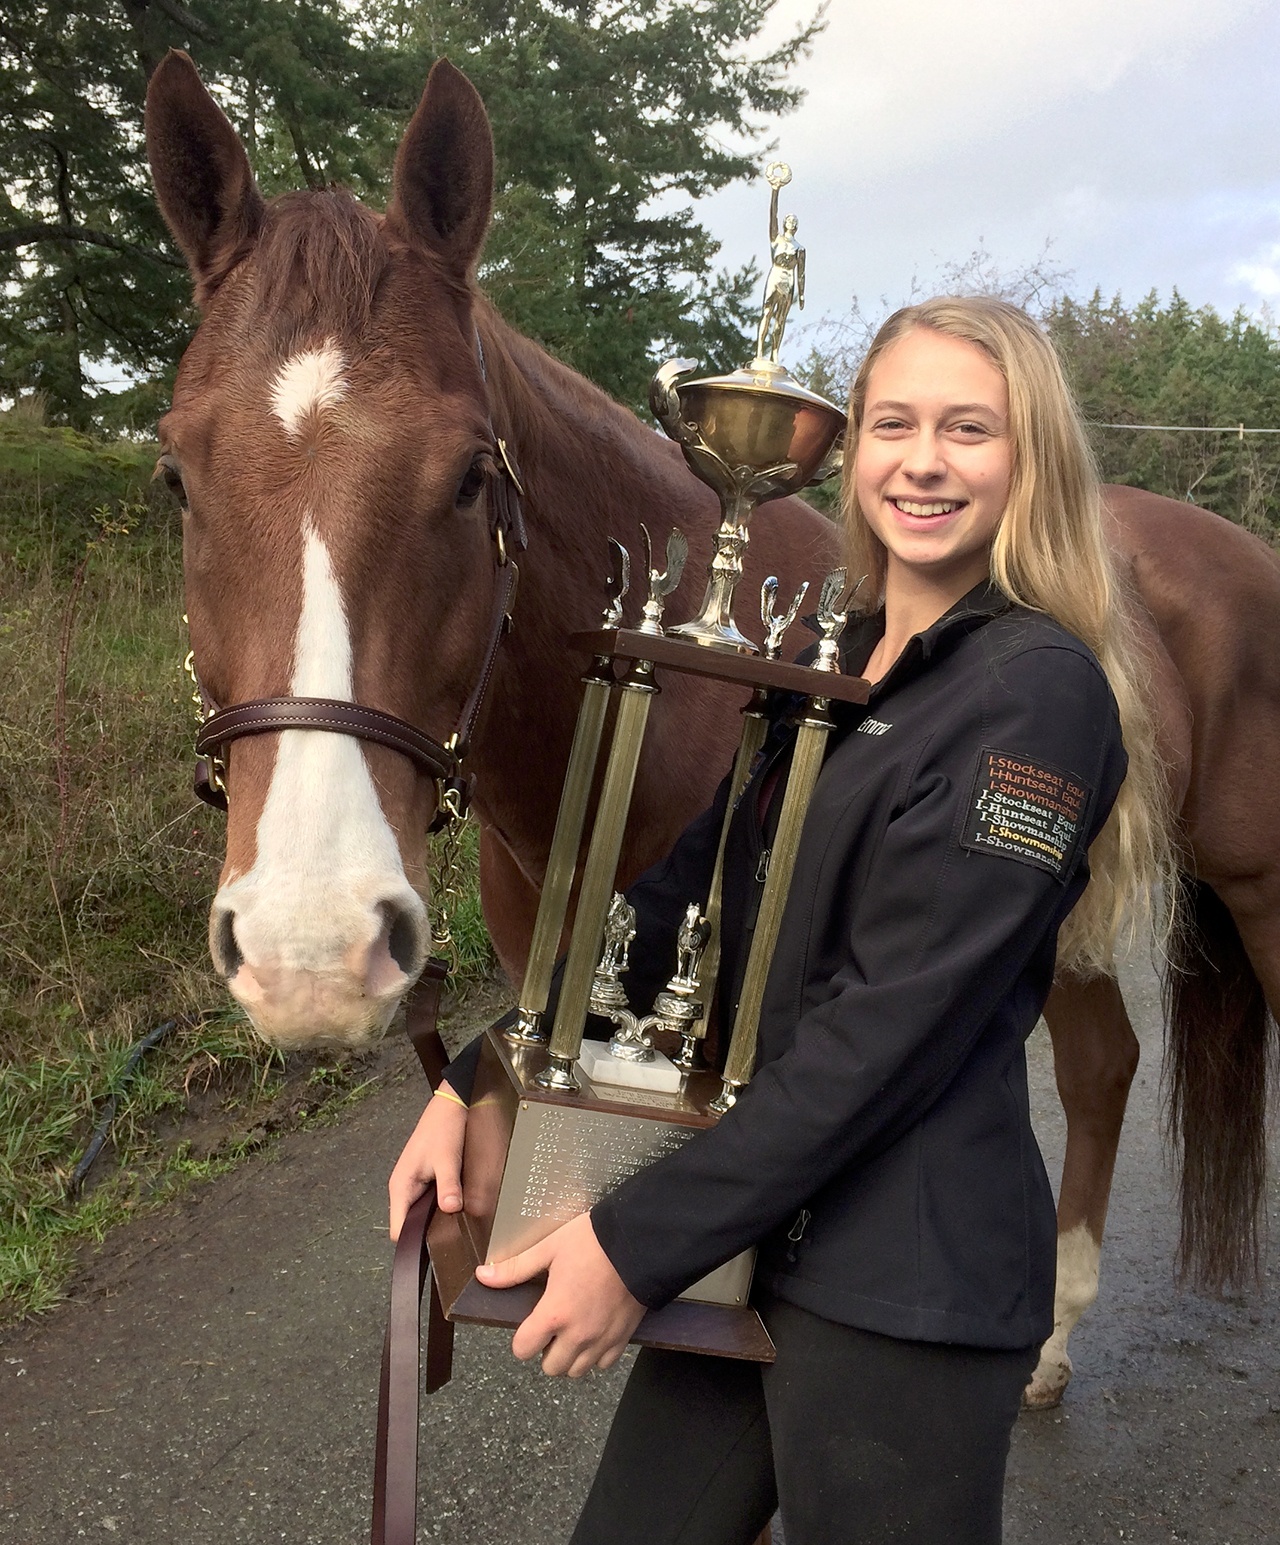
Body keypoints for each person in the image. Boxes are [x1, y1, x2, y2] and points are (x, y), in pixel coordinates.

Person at [388, 296, 1171, 1544]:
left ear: (1031, 464)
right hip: (754, 1237)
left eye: (969, 429)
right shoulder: (841, 654)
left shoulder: (1036, 695)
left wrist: (633, 1246)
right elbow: (683, 899)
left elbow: (890, 1032)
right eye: (893, 423)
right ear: (851, 452)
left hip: (905, 1295)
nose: (922, 459)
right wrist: (484, 1076)